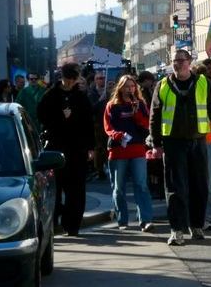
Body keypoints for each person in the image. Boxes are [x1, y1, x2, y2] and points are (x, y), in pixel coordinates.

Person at [150, 49, 211, 246]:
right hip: (173, 142)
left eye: (181, 61)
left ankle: (197, 225)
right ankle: (177, 229)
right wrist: (156, 143)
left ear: (190, 62)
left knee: (200, 185)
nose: (177, 64)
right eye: (175, 61)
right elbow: (155, 116)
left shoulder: (203, 82)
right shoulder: (163, 85)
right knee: (175, 187)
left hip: (199, 141)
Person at [38, 63, 95, 236]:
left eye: (73, 80)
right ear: (62, 77)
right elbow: (42, 116)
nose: (70, 83)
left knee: (76, 189)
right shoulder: (51, 95)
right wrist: (61, 117)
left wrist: (91, 148)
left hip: (77, 149)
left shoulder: (81, 96)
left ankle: (72, 225)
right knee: (55, 187)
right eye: (67, 79)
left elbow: (88, 124)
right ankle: (54, 221)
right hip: (56, 148)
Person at [104, 75, 154, 232]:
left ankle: (145, 220)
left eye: (132, 86)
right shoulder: (112, 105)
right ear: (120, 87)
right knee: (118, 188)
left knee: (141, 185)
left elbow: (147, 124)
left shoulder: (140, 104)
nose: (130, 89)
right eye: (126, 86)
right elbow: (108, 127)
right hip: (118, 151)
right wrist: (118, 135)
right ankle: (122, 220)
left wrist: (136, 112)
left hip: (137, 149)